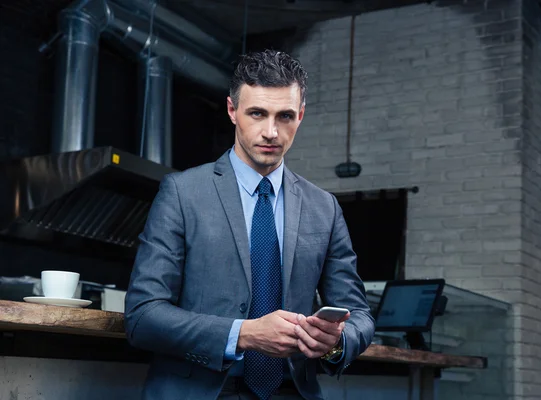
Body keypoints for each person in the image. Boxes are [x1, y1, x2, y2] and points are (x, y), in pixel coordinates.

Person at [124, 49, 375, 400]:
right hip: (203, 390)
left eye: (285, 116)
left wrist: (335, 342)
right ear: (232, 111)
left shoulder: (325, 208)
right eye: (257, 113)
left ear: (300, 116)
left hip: (291, 390)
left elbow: (359, 314)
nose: (271, 132)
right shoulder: (182, 193)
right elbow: (142, 316)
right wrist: (243, 334)